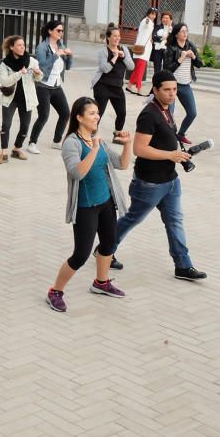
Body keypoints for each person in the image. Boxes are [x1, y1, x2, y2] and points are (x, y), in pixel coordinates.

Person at [113, 70, 207, 281]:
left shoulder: (166, 110)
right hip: (149, 183)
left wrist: (178, 155)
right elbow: (139, 149)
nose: (172, 94)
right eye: (167, 90)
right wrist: (171, 155)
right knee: (133, 218)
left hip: (170, 180)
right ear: (155, 90)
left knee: (175, 221)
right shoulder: (149, 114)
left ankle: (183, 266)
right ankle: (105, 249)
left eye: (174, 89)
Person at [46, 97, 132, 313]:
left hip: (106, 202)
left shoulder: (98, 140)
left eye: (97, 112)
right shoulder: (71, 143)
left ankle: (101, 283)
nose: (97, 116)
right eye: (92, 113)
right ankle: (55, 291)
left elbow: (121, 164)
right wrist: (93, 148)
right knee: (81, 254)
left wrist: (128, 144)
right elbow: (77, 172)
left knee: (109, 245)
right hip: (86, 206)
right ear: (79, 117)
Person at [27, 20, 73, 154]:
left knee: (65, 113)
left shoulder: (61, 45)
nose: (61, 33)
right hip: (43, 85)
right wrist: (56, 55)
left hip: (56, 85)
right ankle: (32, 143)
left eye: (62, 31)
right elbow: (41, 67)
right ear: (50, 31)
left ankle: (56, 141)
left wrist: (70, 56)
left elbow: (68, 67)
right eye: (58, 30)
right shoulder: (42, 47)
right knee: (44, 116)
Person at [0, 35, 42, 164]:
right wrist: (20, 73)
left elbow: (38, 79)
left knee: (25, 127)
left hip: (27, 98)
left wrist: (38, 74)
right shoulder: (5, 64)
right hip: (10, 98)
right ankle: (4, 153)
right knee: (6, 125)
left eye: (23, 45)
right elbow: (4, 82)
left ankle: (16, 149)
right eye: (19, 45)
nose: (23, 47)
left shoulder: (31, 61)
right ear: (12, 47)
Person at [90, 24, 134, 145]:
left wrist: (123, 57)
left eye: (119, 36)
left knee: (122, 112)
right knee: (99, 113)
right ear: (108, 37)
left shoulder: (124, 49)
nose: (117, 38)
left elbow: (131, 66)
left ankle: (117, 134)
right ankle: (91, 134)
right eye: (115, 36)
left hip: (117, 87)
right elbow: (105, 69)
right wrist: (114, 57)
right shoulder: (103, 51)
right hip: (102, 86)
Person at [163, 23, 203, 146]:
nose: (185, 34)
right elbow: (167, 70)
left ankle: (181, 134)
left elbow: (200, 64)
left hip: (185, 84)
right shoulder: (171, 48)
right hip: (172, 86)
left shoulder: (190, 45)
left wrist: (194, 56)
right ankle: (167, 138)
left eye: (186, 31)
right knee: (169, 115)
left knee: (192, 113)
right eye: (182, 31)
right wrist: (180, 59)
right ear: (176, 34)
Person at [127, 8, 157, 96]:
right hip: (142, 50)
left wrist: (151, 39)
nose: (153, 16)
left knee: (138, 69)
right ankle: (139, 88)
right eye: (151, 14)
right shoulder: (146, 21)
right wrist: (148, 20)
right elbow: (147, 24)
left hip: (144, 49)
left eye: (154, 14)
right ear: (148, 14)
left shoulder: (150, 22)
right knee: (140, 70)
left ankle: (129, 85)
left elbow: (146, 32)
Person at [152, 11, 172, 76]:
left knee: (166, 66)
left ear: (170, 19)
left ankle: (165, 80)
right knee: (157, 65)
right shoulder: (157, 27)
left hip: (167, 49)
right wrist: (162, 38)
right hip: (157, 49)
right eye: (163, 17)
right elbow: (154, 36)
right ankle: (156, 80)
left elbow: (172, 38)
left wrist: (170, 29)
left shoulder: (172, 28)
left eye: (167, 18)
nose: (165, 19)